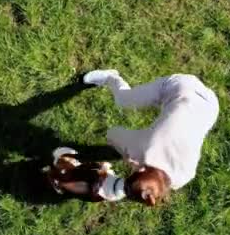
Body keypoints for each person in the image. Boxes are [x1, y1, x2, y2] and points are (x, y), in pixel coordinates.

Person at [83, 70, 219, 205]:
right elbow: (112, 133)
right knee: (123, 100)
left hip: (211, 108)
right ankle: (110, 77)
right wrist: (128, 153)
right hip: (180, 87)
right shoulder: (144, 148)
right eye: (132, 172)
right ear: (141, 168)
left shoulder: (185, 176)